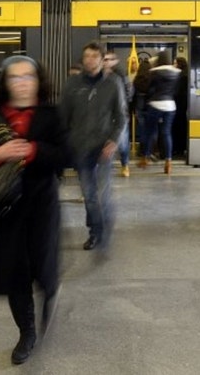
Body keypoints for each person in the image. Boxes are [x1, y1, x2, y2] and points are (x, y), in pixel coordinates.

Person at [0, 55, 66, 365]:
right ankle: (26, 332)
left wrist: (33, 150)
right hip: (7, 206)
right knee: (16, 274)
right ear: (5, 83)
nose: (23, 83)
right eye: (15, 77)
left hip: (42, 203)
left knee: (43, 268)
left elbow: (65, 156)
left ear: (39, 81)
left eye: (29, 76)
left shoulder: (52, 115)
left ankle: (50, 290)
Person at [60, 41, 126, 251]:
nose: (89, 60)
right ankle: (95, 232)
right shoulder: (72, 84)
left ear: (101, 59)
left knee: (102, 193)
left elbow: (121, 116)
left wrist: (113, 140)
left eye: (94, 56)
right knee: (89, 195)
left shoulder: (113, 83)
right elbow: (63, 117)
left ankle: (103, 227)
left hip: (103, 149)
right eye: (86, 56)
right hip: (80, 148)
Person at [139, 50, 181, 174]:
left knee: (150, 132)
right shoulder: (177, 73)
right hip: (170, 105)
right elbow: (176, 91)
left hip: (156, 104)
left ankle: (145, 158)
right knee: (166, 133)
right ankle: (168, 162)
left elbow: (148, 89)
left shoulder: (154, 72)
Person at [103, 51, 132, 177]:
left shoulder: (121, 75)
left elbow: (129, 92)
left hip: (119, 113)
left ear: (115, 61)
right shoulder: (99, 75)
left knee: (123, 142)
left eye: (109, 59)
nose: (106, 62)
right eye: (104, 59)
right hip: (104, 114)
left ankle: (125, 164)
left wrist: (121, 104)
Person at [172, 57, 189, 158]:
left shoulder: (181, 76)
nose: (173, 65)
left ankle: (178, 149)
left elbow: (177, 92)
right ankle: (182, 148)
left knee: (177, 128)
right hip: (184, 105)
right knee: (182, 127)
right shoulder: (186, 74)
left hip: (179, 105)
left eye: (175, 63)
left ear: (179, 64)